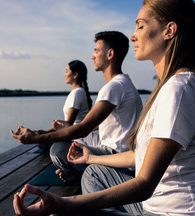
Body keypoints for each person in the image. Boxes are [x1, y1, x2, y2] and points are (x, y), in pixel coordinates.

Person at [13, 0, 195, 216]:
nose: (133, 36)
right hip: (154, 208)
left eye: (140, 26)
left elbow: (144, 182)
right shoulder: (169, 86)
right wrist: (90, 157)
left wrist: (65, 203)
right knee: (94, 172)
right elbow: (141, 155)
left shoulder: (179, 88)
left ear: (169, 31)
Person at [11, 31, 143, 182]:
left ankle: (97, 175)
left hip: (119, 159)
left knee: (58, 149)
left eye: (96, 51)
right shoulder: (123, 83)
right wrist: (66, 127)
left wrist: (36, 139)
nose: (92, 56)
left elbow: (83, 128)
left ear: (110, 54)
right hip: (115, 149)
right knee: (67, 141)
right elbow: (99, 125)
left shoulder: (114, 87)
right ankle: (82, 174)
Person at [37, 60, 92, 151]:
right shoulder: (78, 92)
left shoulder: (77, 93)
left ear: (75, 75)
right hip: (75, 135)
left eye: (66, 71)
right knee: (42, 141)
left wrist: (44, 133)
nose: (64, 74)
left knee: (42, 143)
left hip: (76, 138)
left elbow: (68, 124)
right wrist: (44, 132)